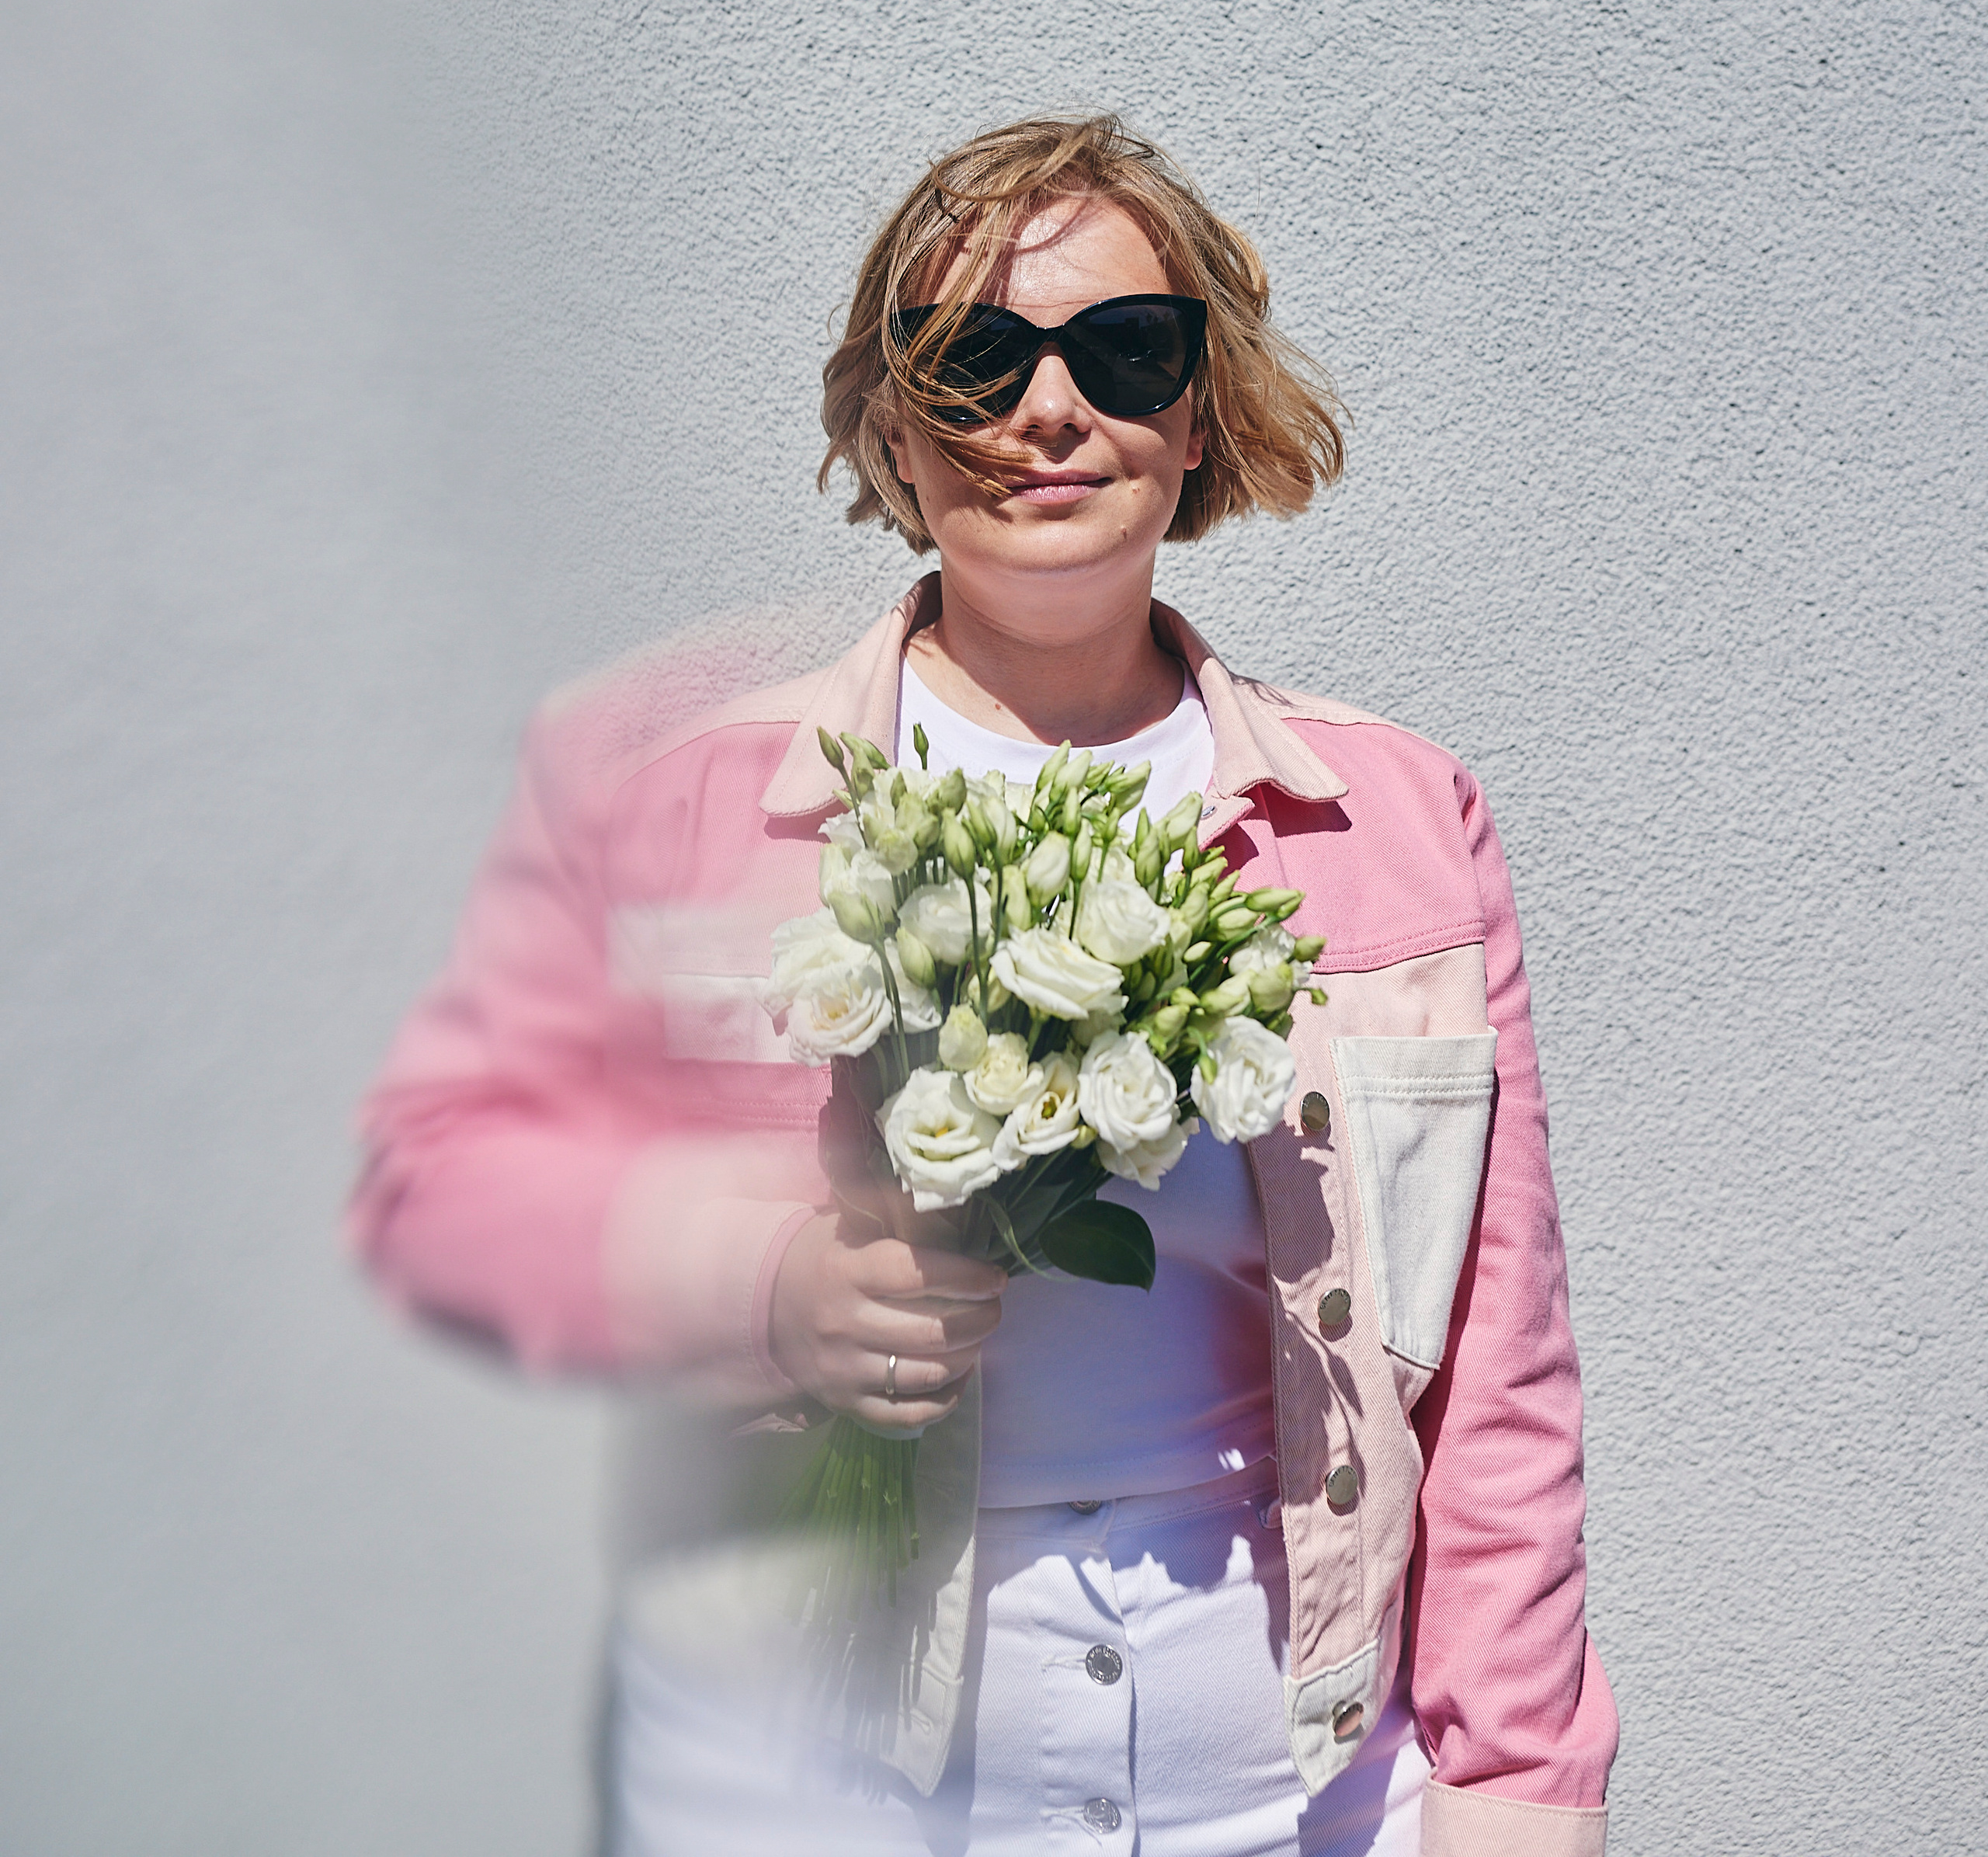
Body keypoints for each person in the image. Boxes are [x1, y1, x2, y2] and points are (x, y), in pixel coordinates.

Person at [350, 113, 1618, 1855]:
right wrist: (765, 1281)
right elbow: (437, 1190)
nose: (1047, 411)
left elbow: (1495, 1367)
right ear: (887, 420)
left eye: (1121, 350)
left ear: (1195, 408)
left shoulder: (1393, 817)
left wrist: (1515, 1794)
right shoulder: (685, 800)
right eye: (970, 361)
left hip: (1295, 1799)